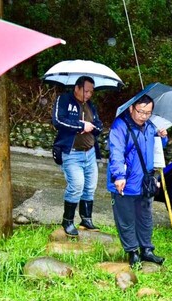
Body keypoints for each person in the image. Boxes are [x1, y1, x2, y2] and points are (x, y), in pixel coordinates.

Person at [107, 94, 167, 267]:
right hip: (125, 181)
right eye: (141, 111)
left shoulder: (150, 126)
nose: (144, 116)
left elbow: (155, 149)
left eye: (148, 113)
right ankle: (132, 252)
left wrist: (162, 137)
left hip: (144, 182)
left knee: (145, 217)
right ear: (132, 108)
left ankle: (147, 250)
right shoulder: (120, 126)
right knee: (126, 218)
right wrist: (119, 176)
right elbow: (116, 151)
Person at [52, 76, 103, 237]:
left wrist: (93, 127)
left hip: (90, 152)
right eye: (86, 91)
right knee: (76, 186)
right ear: (77, 88)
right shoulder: (64, 99)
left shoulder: (90, 105)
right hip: (72, 152)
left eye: (91, 92)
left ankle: (86, 219)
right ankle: (67, 221)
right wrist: (81, 125)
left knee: (90, 187)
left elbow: (99, 125)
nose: (88, 95)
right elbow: (58, 120)